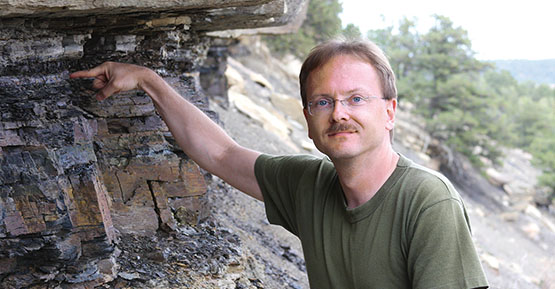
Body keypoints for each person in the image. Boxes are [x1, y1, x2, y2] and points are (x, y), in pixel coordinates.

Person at [71, 39, 489, 289]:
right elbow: (221, 154)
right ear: (308, 119)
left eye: (357, 98)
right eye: (323, 102)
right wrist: (148, 80)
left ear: (390, 111)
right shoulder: (310, 185)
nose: (339, 113)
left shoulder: (428, 202)